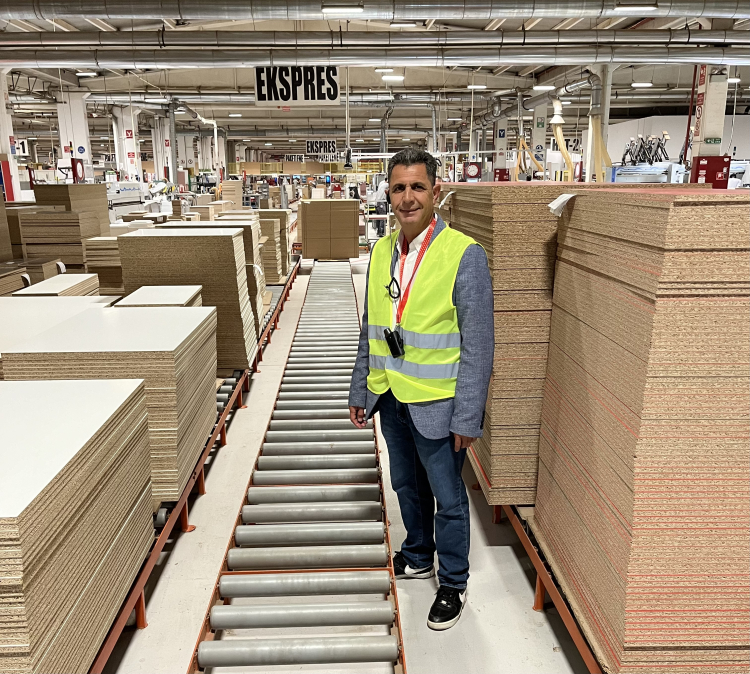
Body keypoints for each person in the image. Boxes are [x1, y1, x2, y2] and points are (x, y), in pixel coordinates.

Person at [348, 148, 494, 631]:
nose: (407, 198)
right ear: (388, 195)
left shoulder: (464, 255)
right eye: (398, 188)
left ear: (436, 192)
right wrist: (360, 389)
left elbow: (479, 347)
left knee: (448, 498)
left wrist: (468, 417)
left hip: (437, 403)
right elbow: (372, 326)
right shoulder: (381, 252)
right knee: (406, 485)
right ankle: (417, 554)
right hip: (390, 395)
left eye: (417, 187)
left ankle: (452, 581)